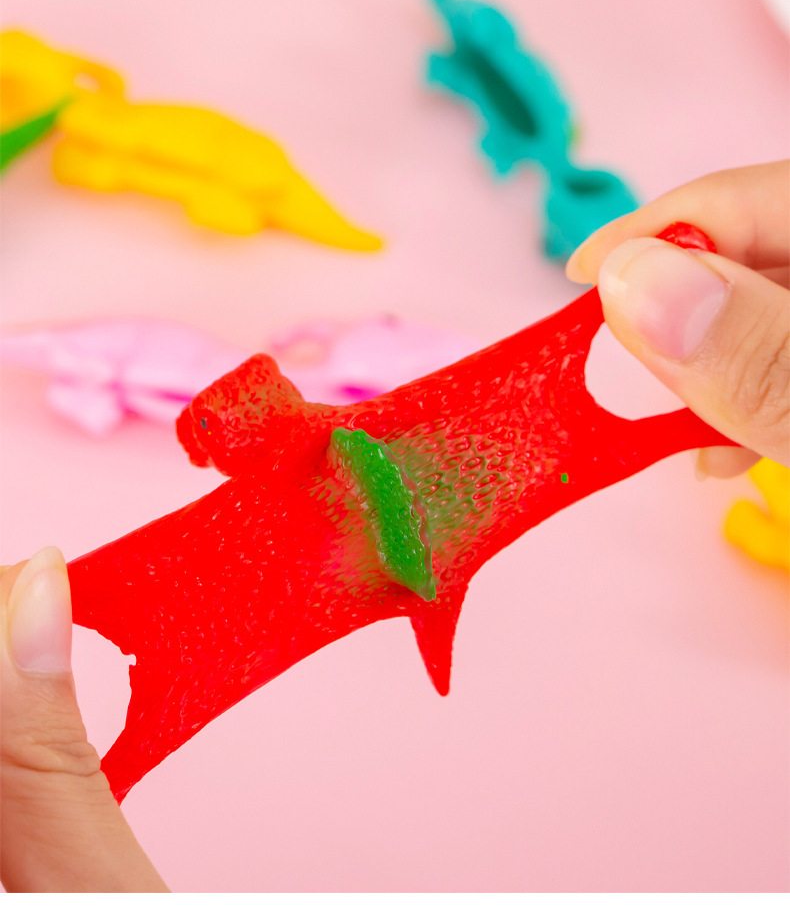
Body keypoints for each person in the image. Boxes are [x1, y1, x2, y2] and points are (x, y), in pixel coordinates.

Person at [1, 161, 787, 892]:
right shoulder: (290, 468)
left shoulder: (345, 448)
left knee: (616, 422)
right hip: (340, 537)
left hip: (396, 522)